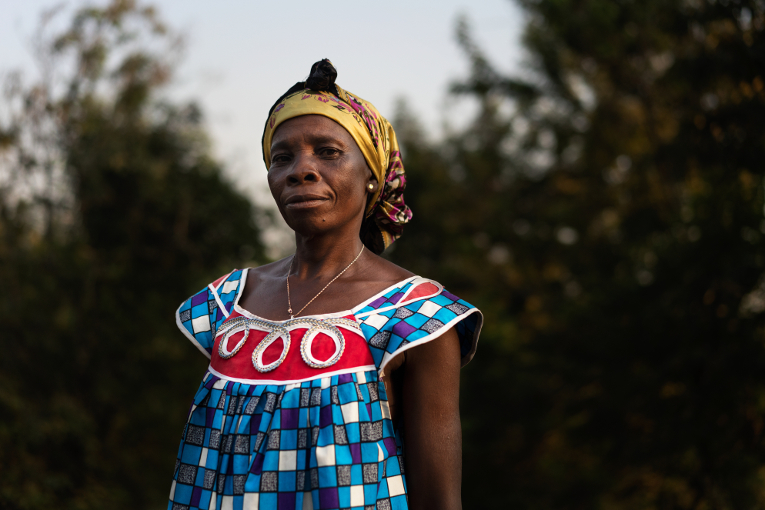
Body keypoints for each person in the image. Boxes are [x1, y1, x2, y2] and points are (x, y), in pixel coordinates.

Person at [169, 59, 482, 510]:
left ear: (372, 172)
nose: (302, 169)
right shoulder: (223, 306)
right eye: (283, 157)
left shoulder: (417, 317)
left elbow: (439, 500)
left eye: (329, 151)